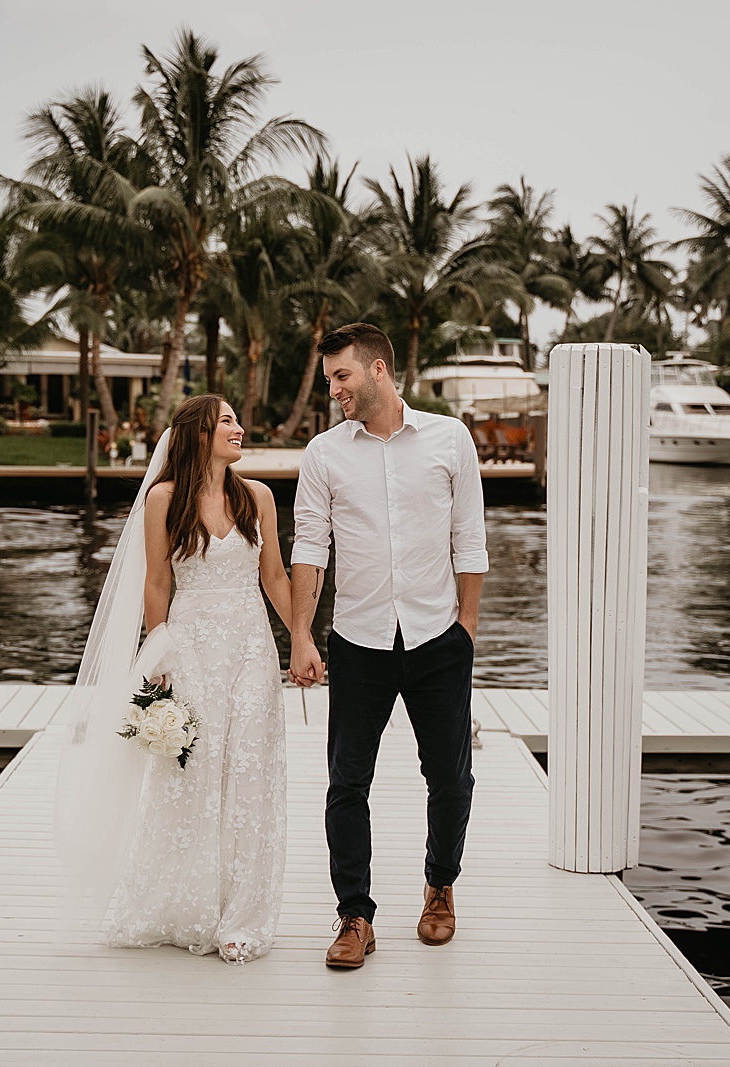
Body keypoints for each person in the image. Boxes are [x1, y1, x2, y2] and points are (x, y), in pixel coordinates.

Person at [56, 393, 293, 965]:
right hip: (190, 648)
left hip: (251, 649)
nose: (239, 428)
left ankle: (241, 916)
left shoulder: (257, 497)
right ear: (198, 435)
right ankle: (189, 906)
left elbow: (276, 576)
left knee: (249, 771)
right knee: (192, 774)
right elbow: (157, 583)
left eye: (238, 419)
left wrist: (303, 641)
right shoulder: (164, 500)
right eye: (227, 421)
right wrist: (158, 652)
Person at [288, 322, 488, 970]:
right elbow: (310, 550)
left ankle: (439, 885)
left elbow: (472, 539)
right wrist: (299, 636)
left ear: (378, 370)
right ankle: (355, 915)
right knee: (347, 782)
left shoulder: (450, 439)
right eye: (329, 381)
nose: (334, 390)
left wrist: (468, 631)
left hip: (438, 637)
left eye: (341, 376)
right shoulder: (324, 454)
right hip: (358, 639)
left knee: (451, 778)